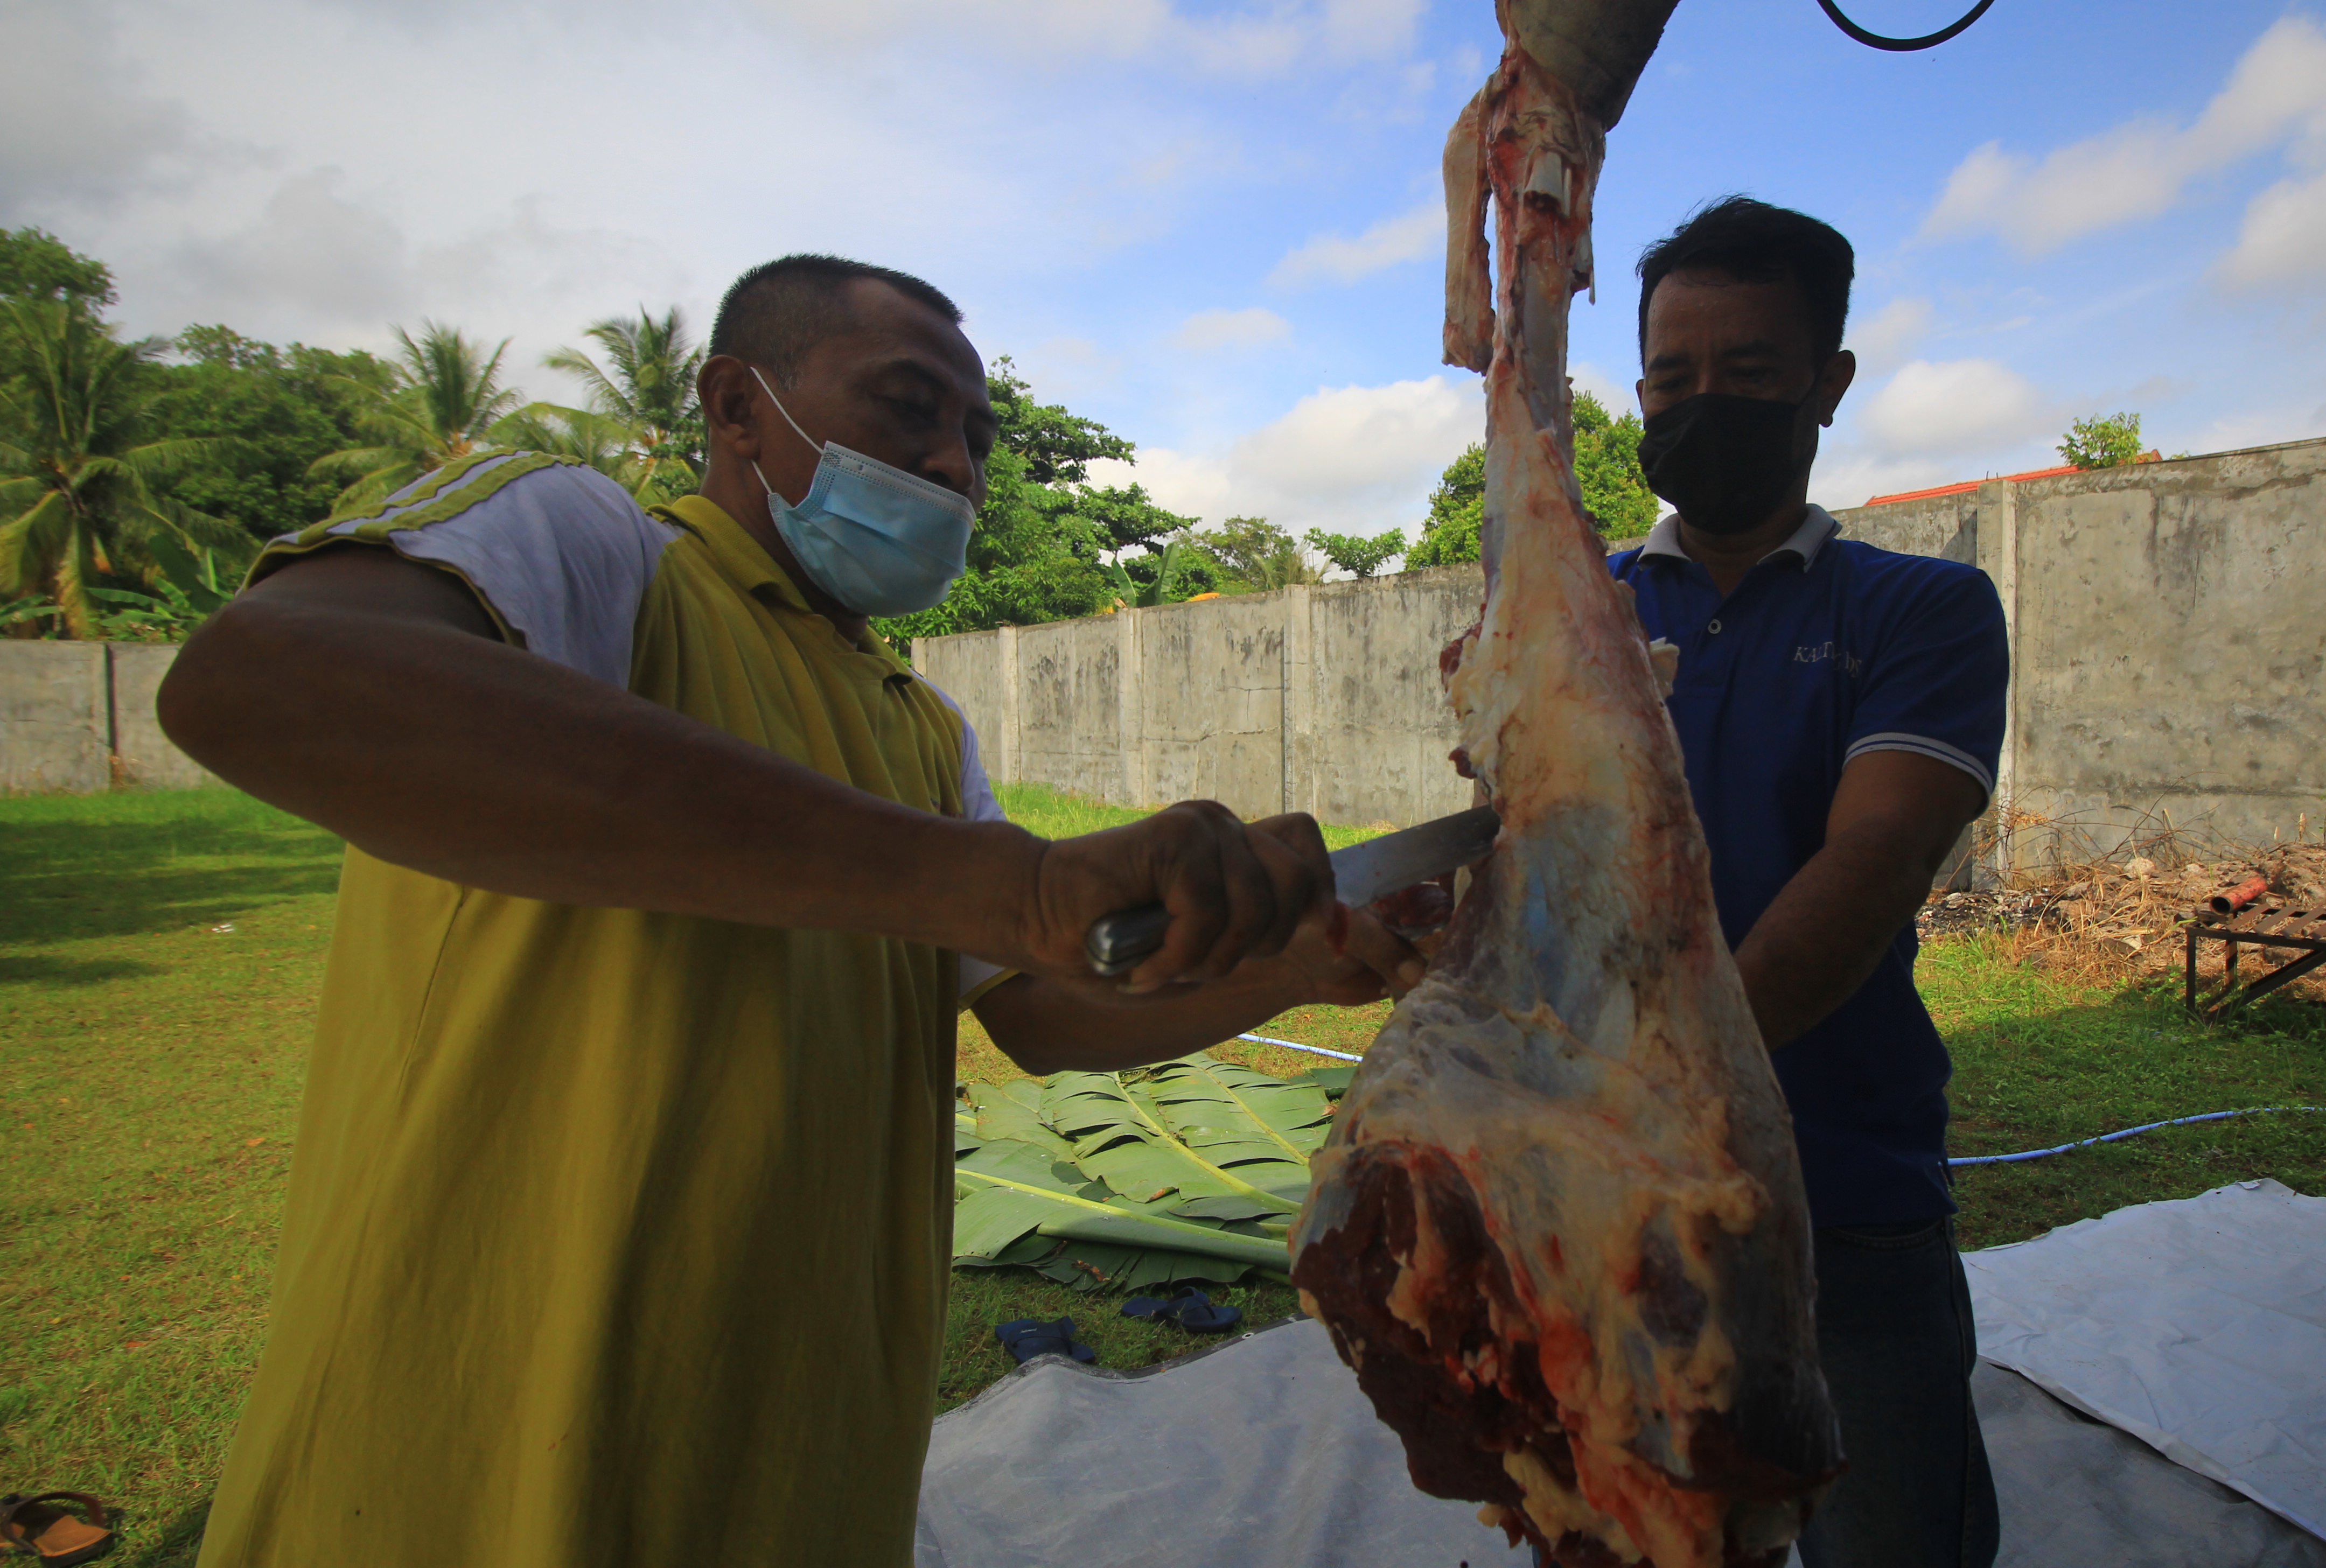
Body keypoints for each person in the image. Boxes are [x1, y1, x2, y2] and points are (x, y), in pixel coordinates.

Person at [158, 254, 1419, 1568]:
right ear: (738, 407)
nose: (954, 468)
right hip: (475, 1463)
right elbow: (265, 678)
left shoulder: (921, 729)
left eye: (976, 440)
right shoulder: (593, 550)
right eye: (908, 408)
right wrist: (1016, 884)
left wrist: (1309, 961)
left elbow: (1040, 1011)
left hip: (804, 1459)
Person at [1610, 198, 2009, 1567]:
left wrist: (1662, 1076)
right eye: (1673, 379)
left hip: (1844, 1188)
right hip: (1622, 1200)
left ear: (1830, 385)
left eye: (1752, 375)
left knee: (1892, 1533)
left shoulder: (1919, 611)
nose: (1702, 405)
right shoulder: (1580, 610)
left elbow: (1873, 864)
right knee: (1652, 1528)